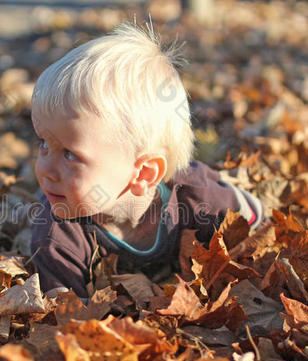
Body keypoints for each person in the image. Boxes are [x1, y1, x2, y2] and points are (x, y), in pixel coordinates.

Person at [28, 22, 263, 299]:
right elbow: (66, 319)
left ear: (144, 173)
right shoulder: (57, 237)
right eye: (44, 143)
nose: (45, 170)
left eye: (70, 154)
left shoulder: (200, 197)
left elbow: (255, 223)